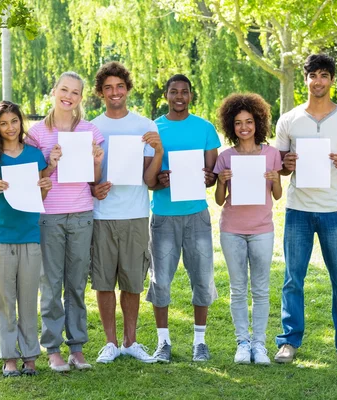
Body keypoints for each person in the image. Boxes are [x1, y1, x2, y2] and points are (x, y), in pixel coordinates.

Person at [274, 54, 337, 365]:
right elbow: (281, 168)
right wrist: (286, 165)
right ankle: (288, 342)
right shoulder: (289, 120)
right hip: (298, 209)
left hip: (334, 211)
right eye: (313, 75)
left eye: (324, 75)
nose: (318, 81)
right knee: (292, 278)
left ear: (331, 80)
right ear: (305, 80)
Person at [26, 71, 104, 372]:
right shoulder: (35, 134)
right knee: (51, 283)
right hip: (49, 217)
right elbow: (33, 181)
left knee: (75, 284)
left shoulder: (90, 132)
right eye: (64, 89)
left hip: (82, 214)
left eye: (75, 92)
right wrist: (50, 165)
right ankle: (52, 348)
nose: (68, 96)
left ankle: (77, 347)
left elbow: (95, 181)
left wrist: (97, 162)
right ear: (54, 91)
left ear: (81, 98)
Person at [89, 61, 163, 364]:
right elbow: (87, 176)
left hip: (135, 214)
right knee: (104, 282)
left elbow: (149, 180)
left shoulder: (145, 126)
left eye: (119, 86)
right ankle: (110, 342)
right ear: (100, 93)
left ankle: (131, 341)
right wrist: (94, 187)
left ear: (127, 89)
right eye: (108, 88)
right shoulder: (92, 127)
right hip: (101, 215)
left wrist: (158, 152)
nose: (114, 92)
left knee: (133, 281)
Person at [0, 100, 52, 377]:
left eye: (14, 121)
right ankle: (9, 356)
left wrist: (45, 185)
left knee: (28, 299)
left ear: (21, 122)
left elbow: (39, 198)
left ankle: (30, 356)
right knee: (4, 300)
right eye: (3, 123)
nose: (10, 128)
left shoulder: (34, 155)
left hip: (30, 236)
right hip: (0, 237)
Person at [147, 74, 221, 363]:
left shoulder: (204, 128)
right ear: (166, 95)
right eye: (174, 91)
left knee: (202, 279)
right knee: (161, 281)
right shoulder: (153, 129)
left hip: (196, 215)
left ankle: (200, 342)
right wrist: (160, 180)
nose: (179, 96)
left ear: (191, 95)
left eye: (185, 92)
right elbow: (148, 180)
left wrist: (208, 176)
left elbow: (211, 177)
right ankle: (163, 342)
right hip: (164, 216)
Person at [213, 93, 282, 365]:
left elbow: (277, 195)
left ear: (258, 123)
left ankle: (259, 345)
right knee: (238, 288)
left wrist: (275, 179)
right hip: (232, 229)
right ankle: (242, 343)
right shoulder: (226, 157)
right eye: (239, 123)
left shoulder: (271, 154)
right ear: (232, 126)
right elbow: (219, 200)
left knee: (261, 289)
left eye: (249, 122)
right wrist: (221, 181)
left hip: (262, 229)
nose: (244, 127)